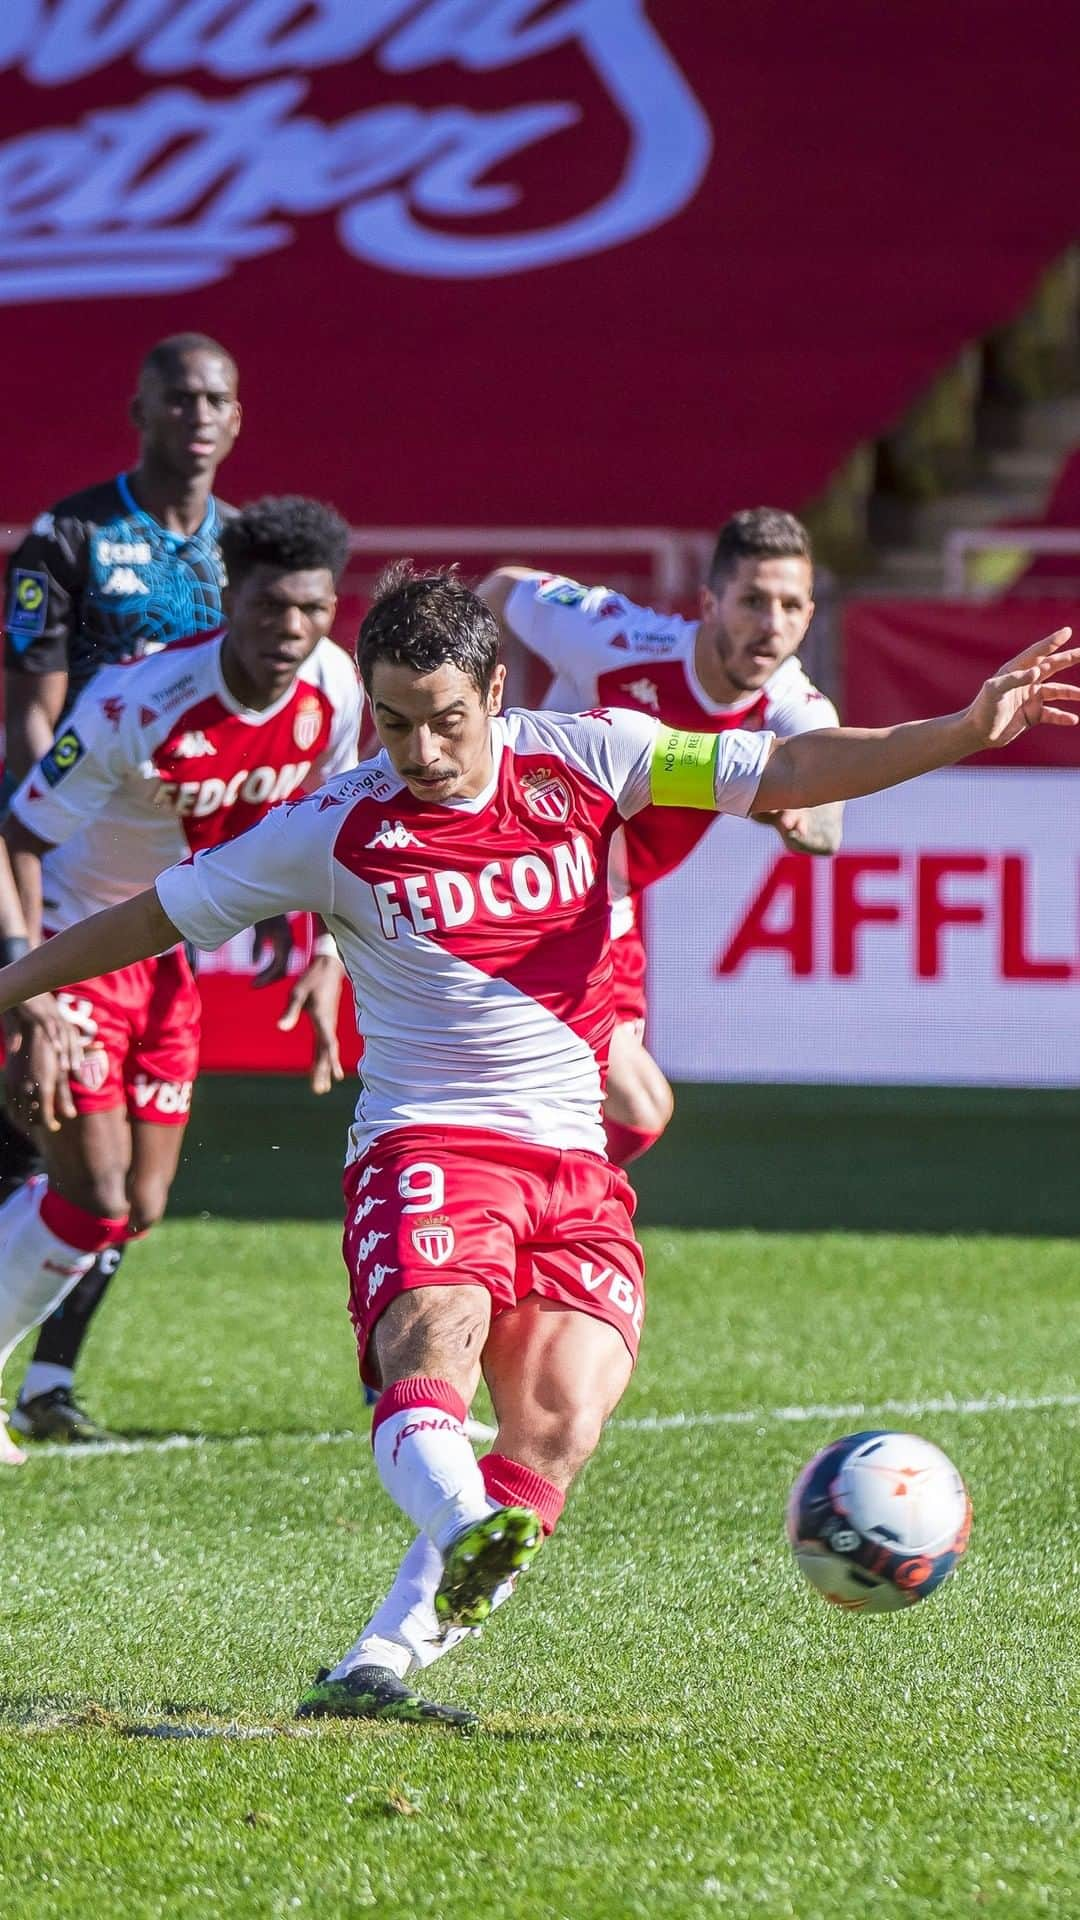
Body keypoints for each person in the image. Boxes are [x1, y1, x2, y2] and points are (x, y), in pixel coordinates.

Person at [0, 565, 1070, 1725]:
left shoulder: (600, 751)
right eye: (396, 723)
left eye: (446, 720)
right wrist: (12, 985)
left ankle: (378, 1667)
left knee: (559, 1422)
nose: (421, 750)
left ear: (497, 693)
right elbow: (154, 913)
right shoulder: (331, 826)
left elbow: (793, 772)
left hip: (574, 1164)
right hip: (430, 1142)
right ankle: (466, 1523)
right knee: (435, 1341)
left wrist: (963, 728)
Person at [0, 496, 361, 1462]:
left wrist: (326, 954)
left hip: (166, 958)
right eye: (270, 606)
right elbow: (17, 837)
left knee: (139, 1206)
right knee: (90, 1192)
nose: (291, 630)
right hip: (76, 937)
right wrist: (31, 992)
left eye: (313, 610)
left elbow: (331, 826)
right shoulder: (133, 700)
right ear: (228, 595)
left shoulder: (336, 688)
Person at [0, 331, 262, 1444]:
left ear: (238, 417)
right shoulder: (64, 539)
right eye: (178, 397)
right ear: (139, 408)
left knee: (118, 1191)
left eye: (217, 398)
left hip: (159, 904)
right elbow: (31, 718)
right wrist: (29, 916)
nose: (198, 415)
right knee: (51, 1148)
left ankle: (50, 1382)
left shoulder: (250, 551)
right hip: (54, 876)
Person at [479, 508, 843, 1166]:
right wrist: (467, 714)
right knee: (631, 1105)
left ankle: (519, 1220)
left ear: (809, 616)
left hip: (607, 902)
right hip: (520, 880)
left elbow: (826, 823)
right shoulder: (614, 639)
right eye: (753, 601)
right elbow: (505, 587)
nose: (771, 625)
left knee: (626, 1120)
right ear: (710, 602)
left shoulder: (793, 705)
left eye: (790, 606)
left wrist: (790, 811)